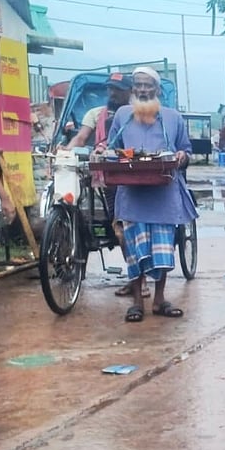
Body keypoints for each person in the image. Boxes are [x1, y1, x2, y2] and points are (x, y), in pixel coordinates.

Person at [101, 67, 198, 322]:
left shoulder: (173, 117)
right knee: (135, 251)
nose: (143, 90)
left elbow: (186, 150)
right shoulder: (122, 115)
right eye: (138, 85)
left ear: (157, 89)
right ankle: (137, 303)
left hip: (164, 195)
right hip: (132, 196)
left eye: (148, 85)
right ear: (133, 89)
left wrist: (182, 156)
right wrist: (103, 153)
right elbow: (112, 148)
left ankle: (159, 299)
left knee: (163, 250)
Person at [66, 74, 140, 297]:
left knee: (128, 228)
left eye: (118, 89)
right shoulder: (96, 114)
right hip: (109, 178)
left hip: (135, 177)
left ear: (130, 92)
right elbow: (81, 138)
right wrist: (65, 152)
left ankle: (139, 280)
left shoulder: (139, 114)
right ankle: (136, 278)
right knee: (120, 228)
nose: (112, 93)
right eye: (110, 89)